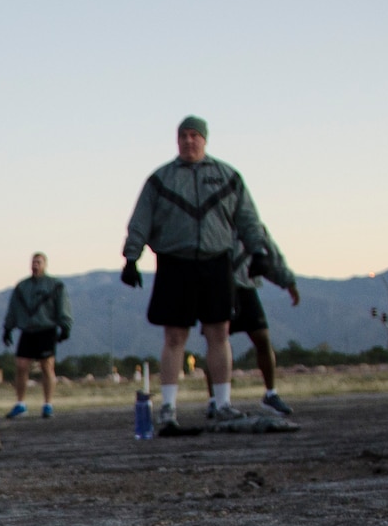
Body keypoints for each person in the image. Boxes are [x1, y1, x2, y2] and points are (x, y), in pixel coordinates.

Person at [120, 116, 265, 430]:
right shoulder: (161, 179)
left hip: (216, 262)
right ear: (177, 140)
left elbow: (248, 219)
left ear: (204, 139)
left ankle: (223, 404)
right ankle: (169, 408)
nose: (189, 141)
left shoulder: (228, 177)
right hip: (175, 263)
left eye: (194, 135)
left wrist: (259, 253)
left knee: (219, 333)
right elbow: (141, 218)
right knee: (174, 337)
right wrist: (132, 256)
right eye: (183, 136)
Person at [231, 232, 301, 415]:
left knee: (262, 336)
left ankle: (271, 394)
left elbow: (269, 253)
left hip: (246, 285)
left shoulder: (249, 221)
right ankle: (216, 400)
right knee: (216, 340)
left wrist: (287, 281)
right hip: (218, 285)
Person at [0, 253, 72, 418]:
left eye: (38, 262)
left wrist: (65, 326)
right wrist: (8, 328)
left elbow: (63, 305)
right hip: (27, 330)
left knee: (47, 366)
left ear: (45, 264)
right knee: (21, 365)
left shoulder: (55, 285)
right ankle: (20, 404)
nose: (35, 265)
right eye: (33, 262)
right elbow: (13, 308)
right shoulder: (22, 287)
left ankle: (48, 404)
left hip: (46, 329)